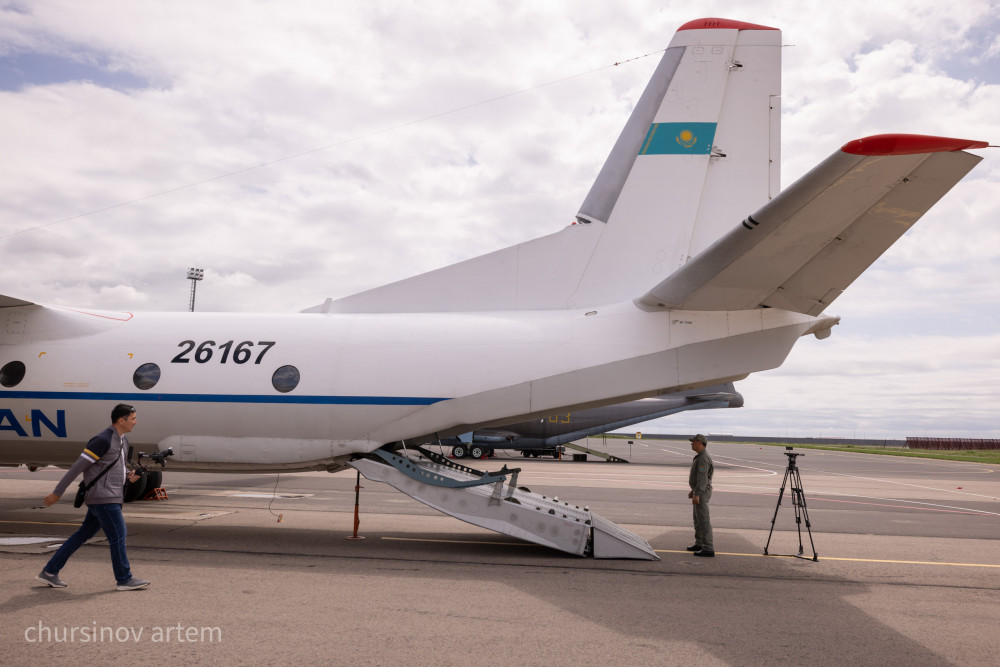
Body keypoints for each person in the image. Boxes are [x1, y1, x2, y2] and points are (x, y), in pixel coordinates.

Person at [36, 404, 150, 591]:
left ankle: (49, 572)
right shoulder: (102, 440)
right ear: (121, 420)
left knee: (83, 535)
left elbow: (113, 466)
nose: (136, 422)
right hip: (103, 498)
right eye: (133, 418)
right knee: (118, 535)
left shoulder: (122, 440)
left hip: (110, 496)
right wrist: (58, 492)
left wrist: (128, 475)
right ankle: (124, 579)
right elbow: (77, 468)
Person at [686, 433, 715, 557]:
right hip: (699, 491)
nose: (691, 444)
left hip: (702, 493)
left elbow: (703, 479)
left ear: (699, 443)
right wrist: (693, 491)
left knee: (703, 521)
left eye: (693, 442)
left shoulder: (703, 458)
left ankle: (708, 548)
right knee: (697, 520)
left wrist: (697, 494)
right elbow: (699, 478)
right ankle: (699, 543)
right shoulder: (699, 456)